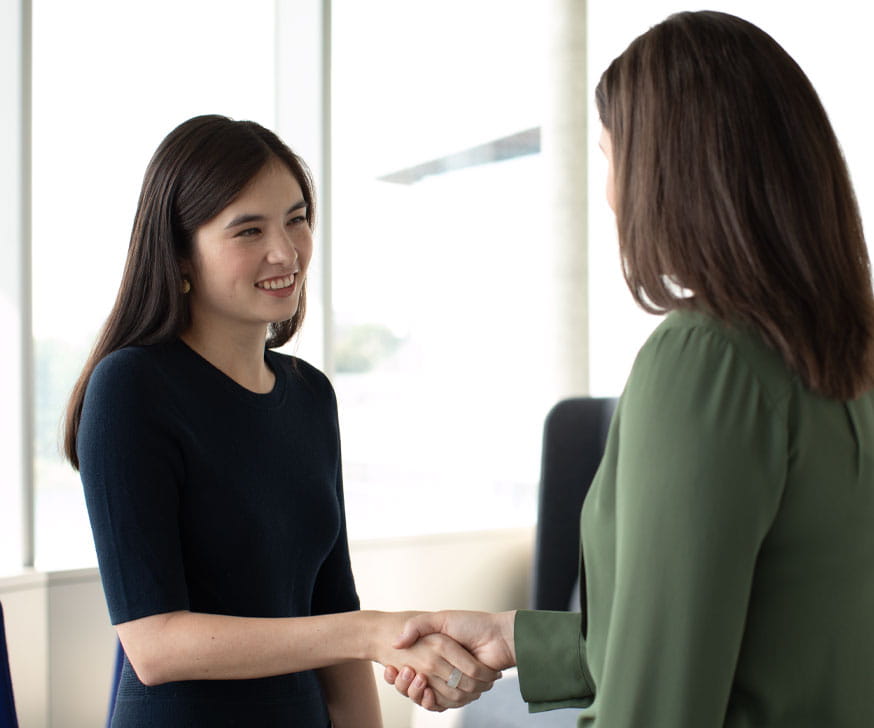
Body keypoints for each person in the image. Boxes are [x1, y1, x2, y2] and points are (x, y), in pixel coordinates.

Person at [385, 10, 874, 726]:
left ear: (669, 172)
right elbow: (760, 632)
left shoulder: (705, 361)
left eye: (611, 156)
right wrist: (516, 637)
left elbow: (661, 705)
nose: (610, 194)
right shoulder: (849, 358)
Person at [64, 114, 498, 727]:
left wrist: (366, 640)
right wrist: (368, 633)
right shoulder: (131, 389)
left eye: (296, 218)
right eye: (249, 230)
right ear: (180, 252)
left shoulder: (310, 394)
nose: (286, 251)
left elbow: (333, 607)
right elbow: (154, 645)